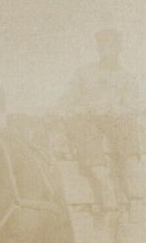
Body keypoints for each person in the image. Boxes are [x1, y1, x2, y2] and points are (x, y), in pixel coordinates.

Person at [58, 27, 140, 212]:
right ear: (98, 49)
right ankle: (105, 185)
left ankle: (131, 181)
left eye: (111, 47)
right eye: (102, 47)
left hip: (115, 120)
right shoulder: (84, 73)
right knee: (84, 131)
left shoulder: (126, 78)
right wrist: (83, 109)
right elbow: (67, 100)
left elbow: (132, 106)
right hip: (88, 120)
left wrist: (113, 109)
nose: (106, 51)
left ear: (119, 49)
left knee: (127, 126)